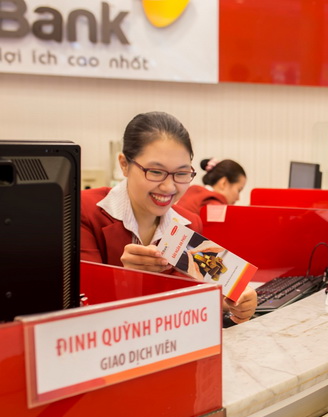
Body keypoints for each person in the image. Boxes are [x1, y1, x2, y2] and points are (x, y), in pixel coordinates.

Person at [80, 111, 256, 324]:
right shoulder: (84, 211)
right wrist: (125, 278)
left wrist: (225, 301)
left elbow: (182, 297)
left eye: (181, 174)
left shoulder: (188, 222)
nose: (169, 187)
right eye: (155, 171)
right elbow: (79, 309)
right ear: (124, 164)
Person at [176, 157, 248, 214]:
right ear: (224, 183)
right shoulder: (213, 203)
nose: (238, 198)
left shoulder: (193, 191)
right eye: (239, 190)